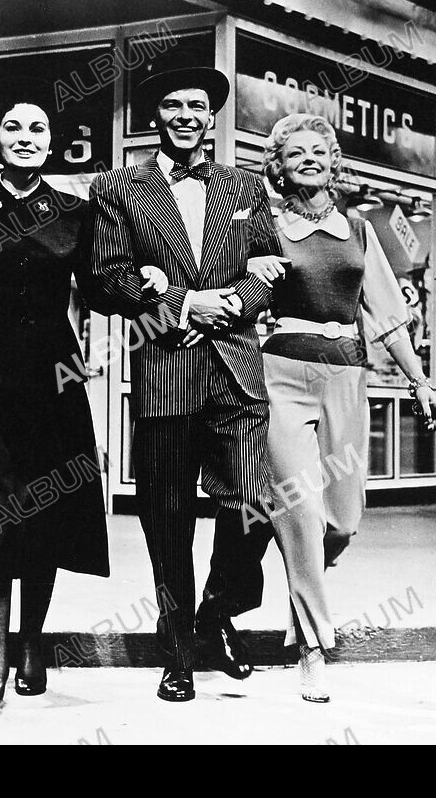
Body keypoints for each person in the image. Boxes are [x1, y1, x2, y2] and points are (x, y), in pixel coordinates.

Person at [90, 60, 278, 702]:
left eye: (197, 106)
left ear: (212, 115)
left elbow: (271, 268)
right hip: (166, 371)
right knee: (166, 520)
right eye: (173, 106)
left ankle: (217, 613)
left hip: (236, 376)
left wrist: (228, 303)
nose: (186, 117)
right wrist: (179, 309)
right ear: (155, 115)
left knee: (251, 505)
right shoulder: (119, 186)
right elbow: (106, 281)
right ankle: (177, 651)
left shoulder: (242, 187)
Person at [251, 113, 436, 703]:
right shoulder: (262, 226)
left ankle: (300, 594)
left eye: (319, 151)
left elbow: (386, 314)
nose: (308, 158)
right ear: (278, 166)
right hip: (281, 373)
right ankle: (313, 646)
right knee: (301, 508)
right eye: (294, 152)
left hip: (347, 376)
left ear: (334, 163)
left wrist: (420, 381)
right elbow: (233, 290)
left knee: (342, 518)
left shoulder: (360, 229)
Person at [0, 94, 109, 705]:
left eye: (36, 128)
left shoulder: (75, 213)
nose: (24, 135)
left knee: (45, 508)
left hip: (54, 376)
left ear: (51, 143)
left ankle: (31, 645)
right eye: (11, 126)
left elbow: (100, 286)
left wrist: (157, 287)